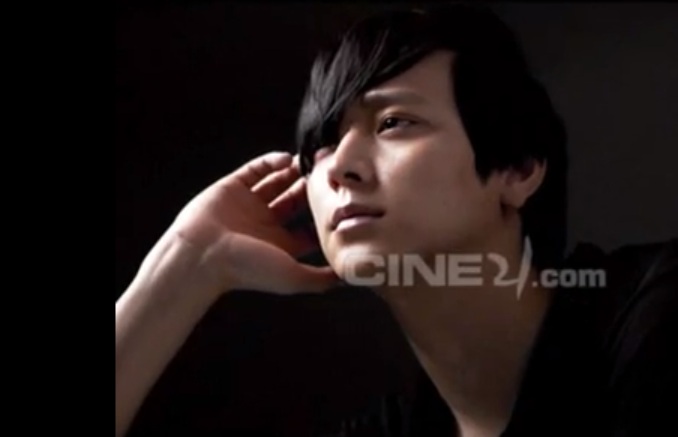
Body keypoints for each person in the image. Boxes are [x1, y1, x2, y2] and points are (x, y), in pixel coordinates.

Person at [115, 4, 677, 437]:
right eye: (321, 144)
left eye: (394, 123)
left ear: (518, 170)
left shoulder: (656, 322)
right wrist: (186, 260)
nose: (341, 168)